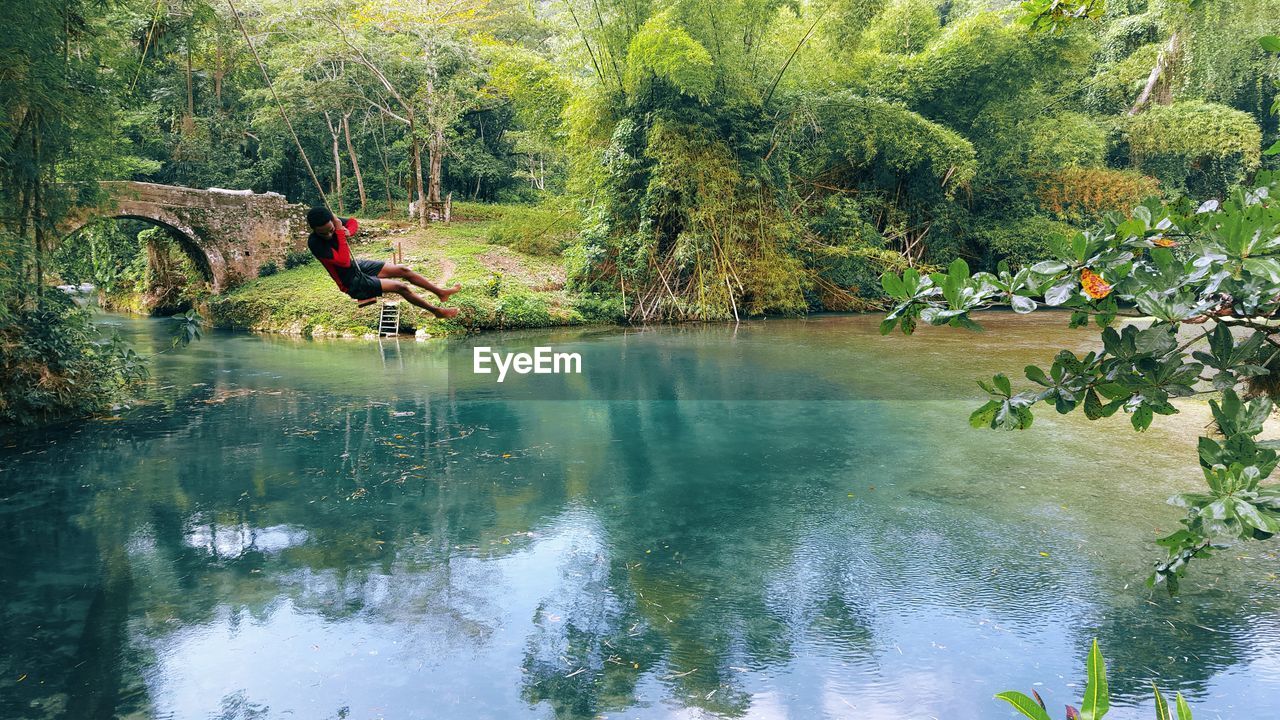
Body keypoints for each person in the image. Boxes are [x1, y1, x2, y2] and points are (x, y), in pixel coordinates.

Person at [305, 207, 460, 318]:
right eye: (323, 233)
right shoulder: (315, 243)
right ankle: (435, 311)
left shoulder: (334, 224)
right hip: (351, 281)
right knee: (401, 287)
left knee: (403, 270)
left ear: (333, 222)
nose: (328, 234)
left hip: (356, 267)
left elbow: (353, 222)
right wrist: (339, 232)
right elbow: (344, 262)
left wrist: (348, 231)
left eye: (331, 229)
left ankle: (441, 293)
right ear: (313, 230)